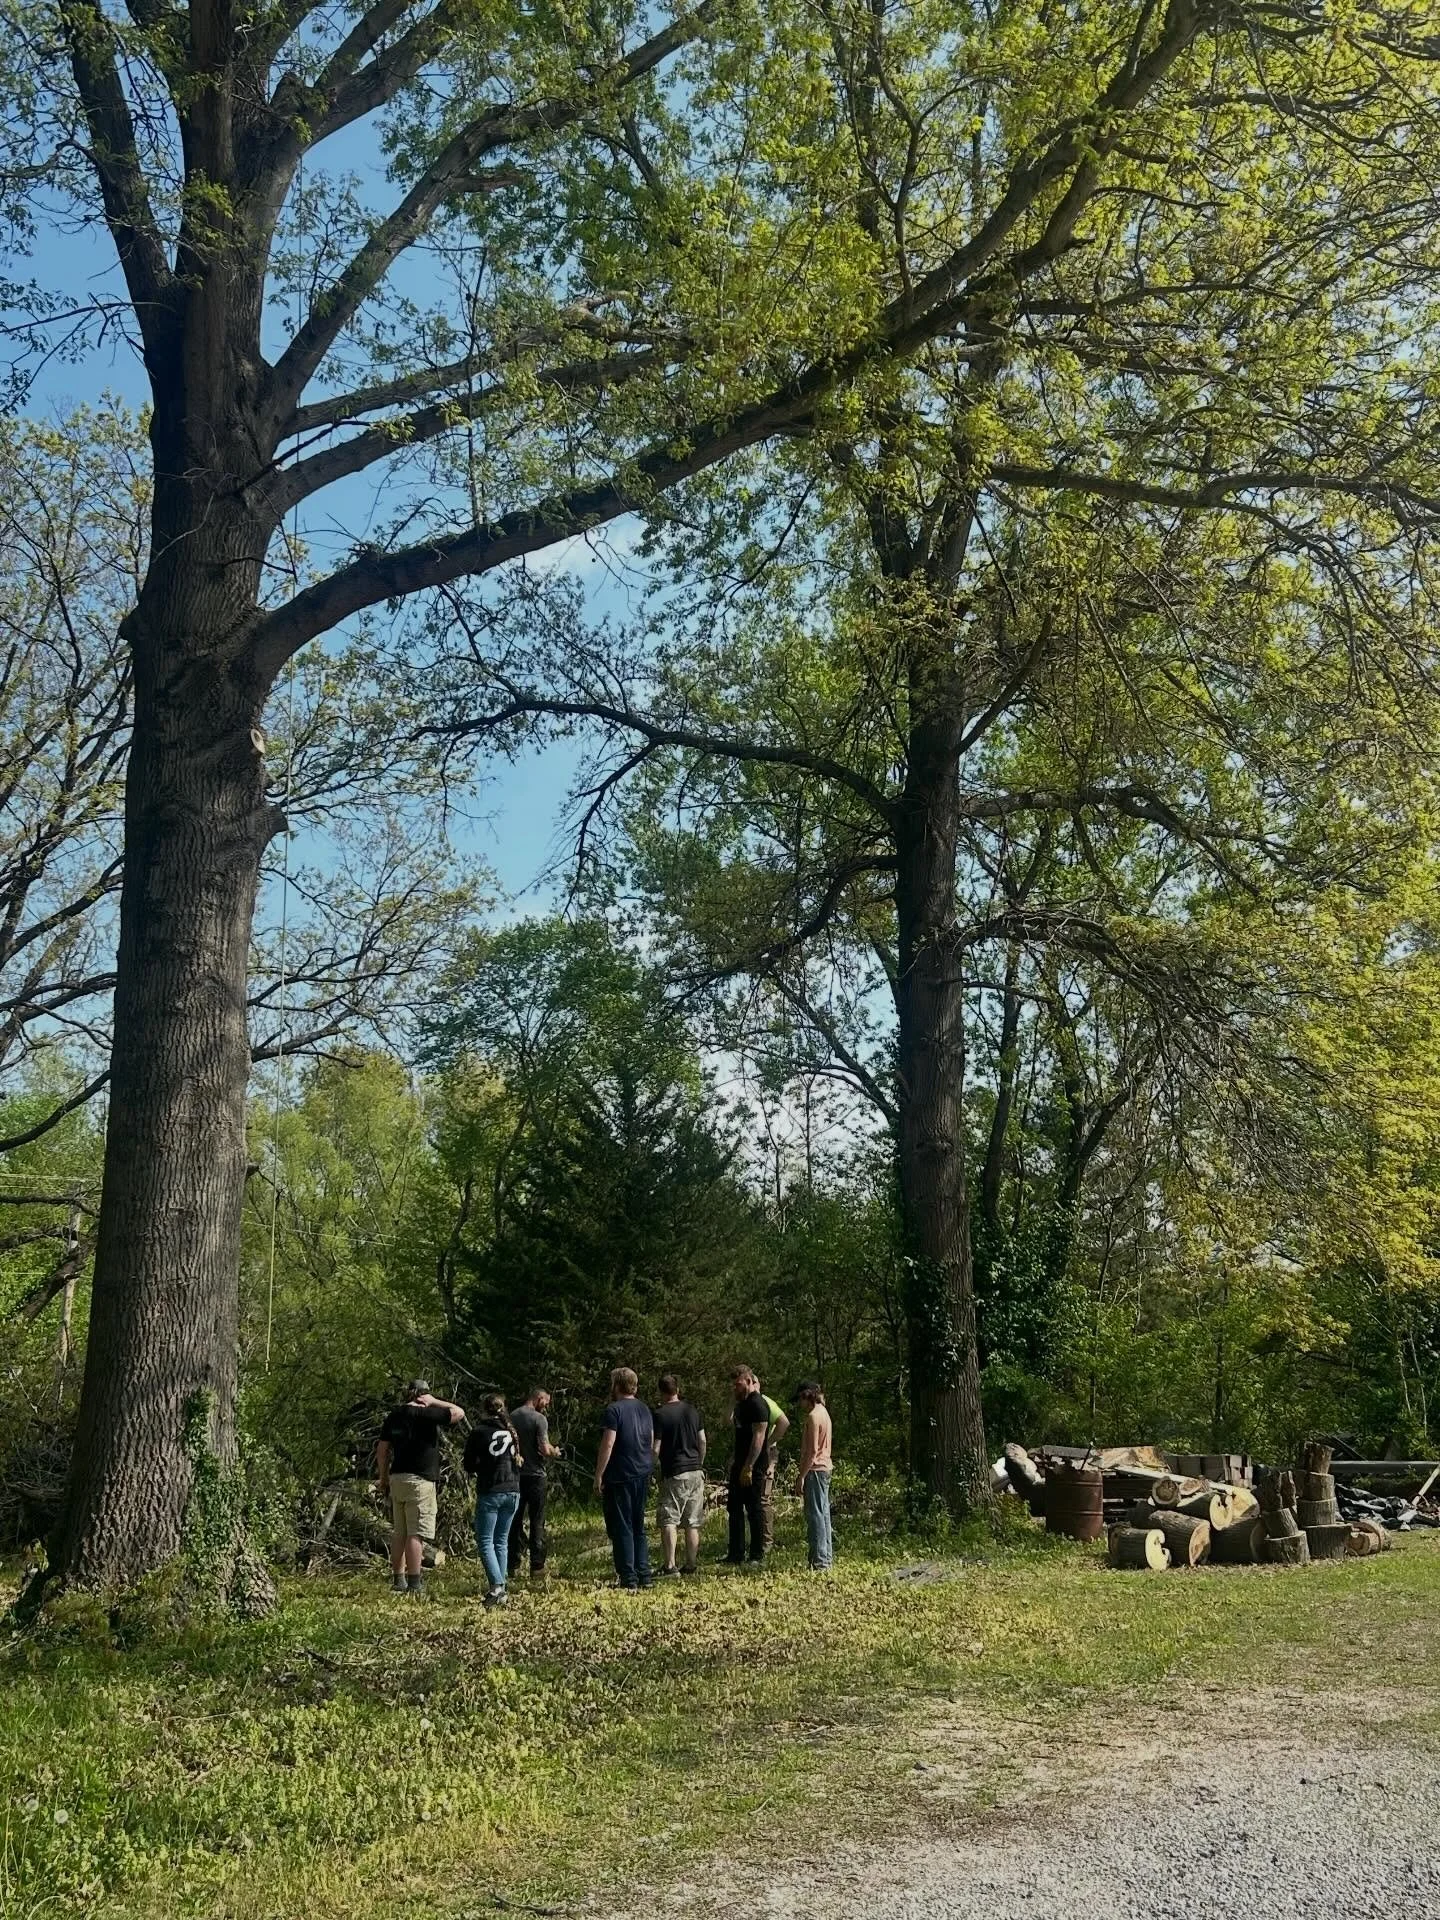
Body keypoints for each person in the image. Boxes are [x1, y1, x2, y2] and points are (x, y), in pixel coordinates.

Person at [376, 1378, 465, 1597]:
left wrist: (384, 1478)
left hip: (398, 1477)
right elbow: (458, 1412)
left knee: (399, 1532)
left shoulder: (394, 1416)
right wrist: (436, 1402)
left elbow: (382, 1449)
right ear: (424, 1395)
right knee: (416, 1534)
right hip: (420, 1479)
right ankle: (415, 1582)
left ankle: (398, 1579)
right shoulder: (427, 1414)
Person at [594, 1366, 654, 1590]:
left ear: (617, 1385)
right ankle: (644, 1573)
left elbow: (608, 1443)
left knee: (622, 1526)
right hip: (642, 1471)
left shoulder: (614, 1410)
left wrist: (599, 1474)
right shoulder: (644, 1408)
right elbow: (650, 1438)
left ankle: (628, 1576)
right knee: (638, 1525)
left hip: (620, 1474)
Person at [464, 1392, 522, 1606]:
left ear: (484, 1409)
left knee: (485, 1540)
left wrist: (482, 1465)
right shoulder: (511, 1430)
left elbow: (469, 1464)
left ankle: (496, 1586)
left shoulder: (479, 1432)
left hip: (491, 1489)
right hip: (513, 1488)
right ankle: (502, 1588)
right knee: (501, 1540)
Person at [653, 1373, 706, 1576]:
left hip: (674, 1471)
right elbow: (702, 1440)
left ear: (662, 1392)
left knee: (669, 1519)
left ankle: (670, 1565)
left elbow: (656, 1447)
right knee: (692, 1521)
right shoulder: (692, 1410)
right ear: (678, 1389)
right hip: (695, 1470)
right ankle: (691, 1564)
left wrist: (652, 1465)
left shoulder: (660, 1414)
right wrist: (699, 1462)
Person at [509, 1387, 561, 1579]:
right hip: (536, 1475)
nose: (546, 1406)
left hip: (516, 1475)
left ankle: (512, 1564)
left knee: (515, 1520)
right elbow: (545, 1449)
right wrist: (555, 1452)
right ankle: (537, 1566)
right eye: (546, 1402)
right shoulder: (539, 1419)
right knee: (537, 1520)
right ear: (539, 1398)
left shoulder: (512, 1416)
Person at [724, 1366, 771, 1565]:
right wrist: (735, 1459)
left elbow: (758, 1438)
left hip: (754, 1466)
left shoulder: (758, 1405)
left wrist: (749, 1466)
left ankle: (757, 1555)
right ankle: (735, 1554)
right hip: (739, 1463)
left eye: (738, 1384)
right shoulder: (740, 1404)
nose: (735, 1388)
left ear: (750, 1381)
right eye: (733, 1385)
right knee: (734, 1507)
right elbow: (735, 1430)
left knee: (754, 1508)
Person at [795, 1381, 834, 1570]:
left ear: (807, 1396)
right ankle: (824, 1557)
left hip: (816, 1470)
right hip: (825, 1469)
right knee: (823, 1514)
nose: (799, 1404)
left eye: (800, 1400)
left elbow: (812, 1452)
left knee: (815, 1515)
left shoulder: (813, 1417)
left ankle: (819, 1562)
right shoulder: (824, 1413)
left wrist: (801, 1476)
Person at [754, 1375, 791, 1554]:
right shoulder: (744, 1404)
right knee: (753, 1500)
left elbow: (784, 1422)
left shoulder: (766, 1402)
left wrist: (768, 1444)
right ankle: (757, 1540)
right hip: (752, 1455)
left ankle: (767, 1542)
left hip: (767, 1455)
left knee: (763, 1499)